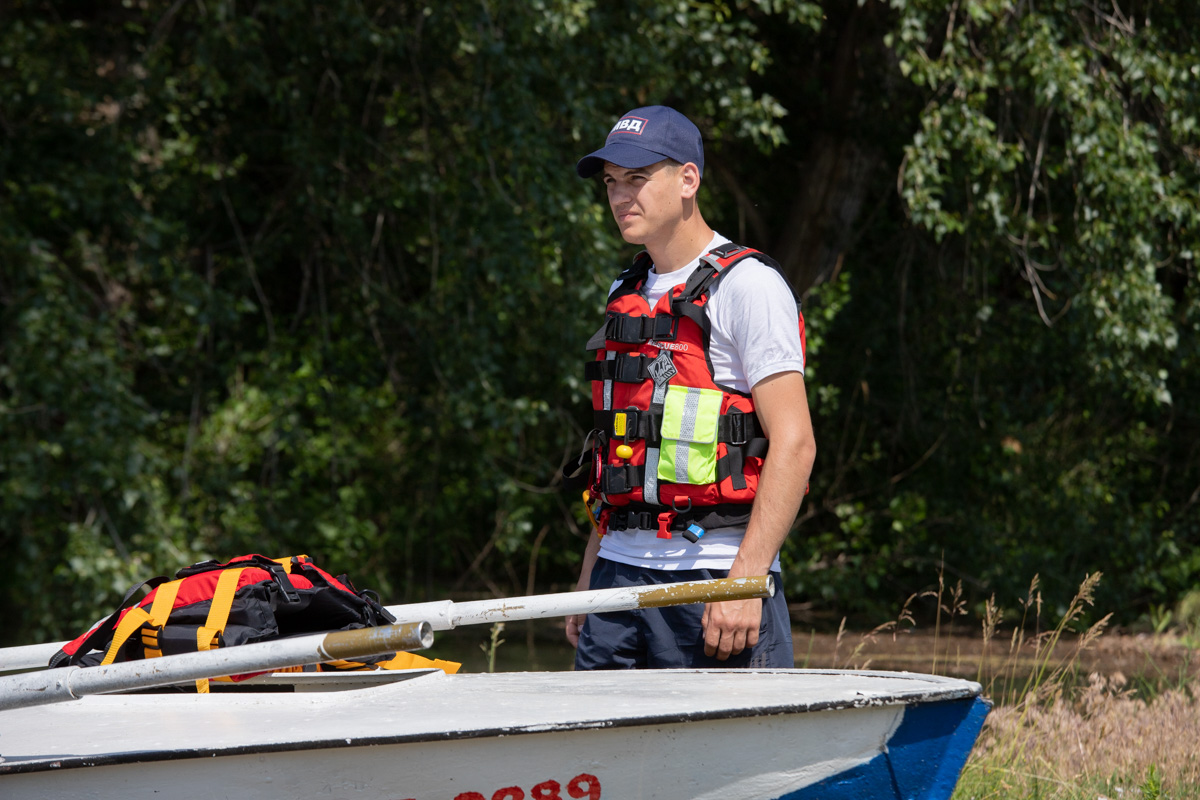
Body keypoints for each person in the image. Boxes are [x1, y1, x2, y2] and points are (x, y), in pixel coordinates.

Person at [565, 105, 816, 669]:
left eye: (636, 178)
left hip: (713, 577)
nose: (620, 196)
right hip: (616, 579)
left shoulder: (748, 287)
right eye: (611, 182)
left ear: (687, 180)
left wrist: (745, 580)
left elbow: (796, 443)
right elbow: (620, 448)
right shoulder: (626, 289)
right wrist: (590, 572)